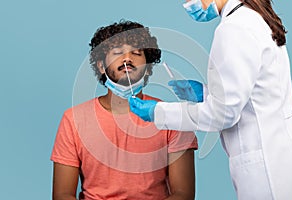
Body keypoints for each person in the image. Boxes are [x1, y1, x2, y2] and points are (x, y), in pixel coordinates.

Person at [129, 0, 292, 199]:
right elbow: (258, 93)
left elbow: (223, 114)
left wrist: (158, 111)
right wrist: (206, 94)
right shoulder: (254, 19)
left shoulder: (234, 29)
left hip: (267, 169)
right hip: (284, 155)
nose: (187, 4)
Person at [50, 20, 198, 200]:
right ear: (101, 66)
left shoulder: (173, 118)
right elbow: (62, 195)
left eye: (136, 53)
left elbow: (183, 194)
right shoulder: (73, 119)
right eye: (117, 53)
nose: (127, 58)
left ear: (148, 66)